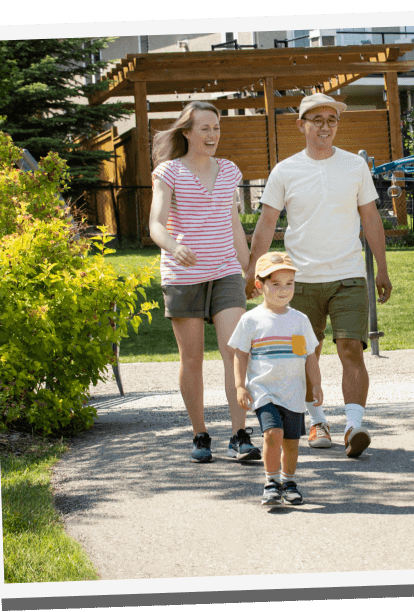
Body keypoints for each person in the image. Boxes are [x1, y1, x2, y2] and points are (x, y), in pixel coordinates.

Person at [245, 93, 392, 458]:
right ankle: (316, 420)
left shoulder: (354, 167)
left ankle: (354, 425)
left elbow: (371, 218)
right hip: (299, 282)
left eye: (332, 120)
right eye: (317, 120)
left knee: (351, 349)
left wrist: (382, 268)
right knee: (303, 354)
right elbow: (266, 224)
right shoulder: (285, 170)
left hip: (349, 276)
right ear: (302, 125)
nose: (325, 126)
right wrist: (254, 270)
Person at [149, 100, 261, 464]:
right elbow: (156, 222)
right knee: (192, 358)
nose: (212, 134)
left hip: (225, 271)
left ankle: (239, 434)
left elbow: (232, 223)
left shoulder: (229, 170)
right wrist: (173, 245)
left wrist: (250, 269)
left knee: (235, 352)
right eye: (205, 128)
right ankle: (200, 434)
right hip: (184, 276)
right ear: (187, 132)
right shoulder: (168, 172)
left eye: (216, 128)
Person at [230, 252, 323, 506]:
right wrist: (240, 385)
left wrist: (316, 384)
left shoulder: (299, 321)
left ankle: (288, 481)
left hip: (293, 393)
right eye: (276, 284)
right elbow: (240, 354)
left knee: (291, 443)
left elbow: (310, 355)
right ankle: (271, 482)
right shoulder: (251, 320)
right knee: (273, 433)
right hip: (264, 391)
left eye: (289, 284)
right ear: (260, 286)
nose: (284, 290)